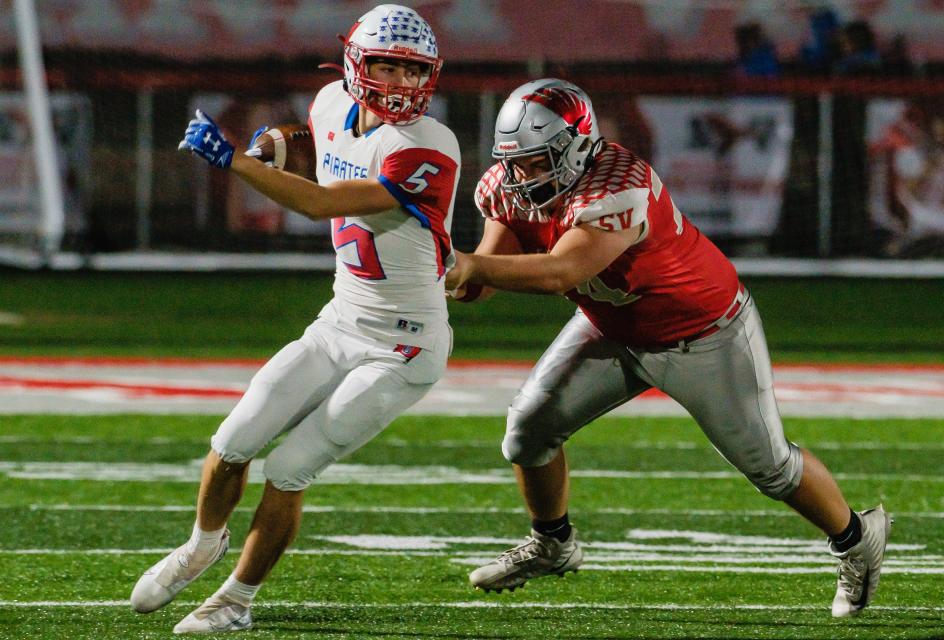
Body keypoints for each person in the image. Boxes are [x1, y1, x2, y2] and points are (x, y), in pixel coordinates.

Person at [445, 78, 890, 618]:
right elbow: (484, 278)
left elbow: (558, 271)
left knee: (770, 466)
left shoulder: (619, 186)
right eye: (518, 163)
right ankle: (552, 544)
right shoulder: (505, 186)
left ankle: (855, 538)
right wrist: (440, 266)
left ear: (579, 144)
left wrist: (467, 263)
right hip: (611, 325)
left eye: (540, 162)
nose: (525, 176)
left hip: (704, 331)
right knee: (527, 433)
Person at [130, 4, 460, 634]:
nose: (399, 83)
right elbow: (316, 138)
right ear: (355, 65)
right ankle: (202, 545)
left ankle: (234, 602)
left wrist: (236, 162)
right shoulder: (334, 101)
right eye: (386, 65)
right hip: (340, 320)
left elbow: (317, 202)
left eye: (411, 70)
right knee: (232, 442)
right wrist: (271, 143)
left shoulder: (428, 146)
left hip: (404, 349)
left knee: (288, 468)